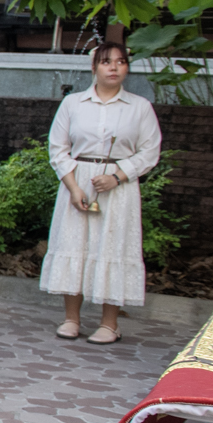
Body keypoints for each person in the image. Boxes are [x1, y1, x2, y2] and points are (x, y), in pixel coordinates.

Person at [41, 42, 160, 343]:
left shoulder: (140, 107)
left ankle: (110, 324)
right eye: (106, 62)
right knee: (74, 244)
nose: (114, 67)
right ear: (94, 67)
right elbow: (58, 148)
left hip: (118, 187)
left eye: (121, 62)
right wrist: (73, 186)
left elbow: (149, 151)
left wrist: (118, 176)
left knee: (113, 248)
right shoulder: (73, 104)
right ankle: (71, 318)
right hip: (78, 180)